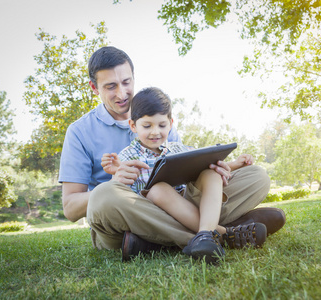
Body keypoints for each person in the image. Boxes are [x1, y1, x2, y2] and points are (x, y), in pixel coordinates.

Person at [58, 46, 286, 262]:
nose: (122, 93)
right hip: (128, 216)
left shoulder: (157, 116)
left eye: (126, 82)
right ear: (94, 88)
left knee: (256, 176)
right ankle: (224, 234)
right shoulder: (79, 132)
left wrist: (218, 167)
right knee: (104, 195)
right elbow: (70, 209)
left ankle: (155, 243)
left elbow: (183, 170)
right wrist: (115, 181)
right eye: (110, 86)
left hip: (175, 205)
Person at [101, 87, 267, 263]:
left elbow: (206, 164)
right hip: (157, 215)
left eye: (162, 125)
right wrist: (115, 176)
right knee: (158, 190)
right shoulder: (126, 157)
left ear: (171, 123)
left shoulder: (179, 149)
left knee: (211, 173)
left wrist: (234, 164)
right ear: (133, 125)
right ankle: (225, 233)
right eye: (147, 126)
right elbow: (120, 198)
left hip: (188, 203)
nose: (155, 132)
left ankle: (204, 236)